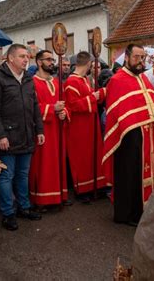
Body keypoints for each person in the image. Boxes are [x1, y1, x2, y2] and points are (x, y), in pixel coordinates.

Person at [102, 44, 154, 226]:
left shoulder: (143, 78)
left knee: (146, 172)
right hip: (128, 137)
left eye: (142, 57)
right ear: (126, 58)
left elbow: (151, 102)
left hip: (147, 135)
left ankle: (144, 210)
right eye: (136, 57)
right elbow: (116, 112)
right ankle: (127, 214)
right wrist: (134, 124)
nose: (140, 61)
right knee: (130, 174)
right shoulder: (117, 79)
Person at [0, 44, 44, 231]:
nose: (26, 59)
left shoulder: (27, 78)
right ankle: (8, 213)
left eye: (27, 56)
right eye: (22, 56)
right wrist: (0, 135)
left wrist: (39, 130)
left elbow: (34, 105)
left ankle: (24, 207)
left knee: (22, 175)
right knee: (6, 176)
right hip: (7, 136)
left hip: (26, 134)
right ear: (10, 58)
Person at [64, 51, 107, 203]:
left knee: (92, 155)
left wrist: (102, 93)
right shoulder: (71, 81)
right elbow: (73, 105)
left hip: (90, 123)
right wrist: (93, 98)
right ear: (88, 64)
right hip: (78, 127)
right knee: (81, 158)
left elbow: (90, 98)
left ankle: (95, 185)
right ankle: (81, 190)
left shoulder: (84, 80)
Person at [30, 50, 70, 209]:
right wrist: (52, 108)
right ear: (39, 62)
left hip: (57, 129)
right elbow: (31, 107)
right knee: (44, 164)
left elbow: (66, 104)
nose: (52, 62)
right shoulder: (31, 82)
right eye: (48, 60)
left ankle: (59, 195)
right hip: (42, 130)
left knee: (58, 161)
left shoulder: (56, 82)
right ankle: (43, 200)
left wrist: (64, 113)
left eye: (53, 60)